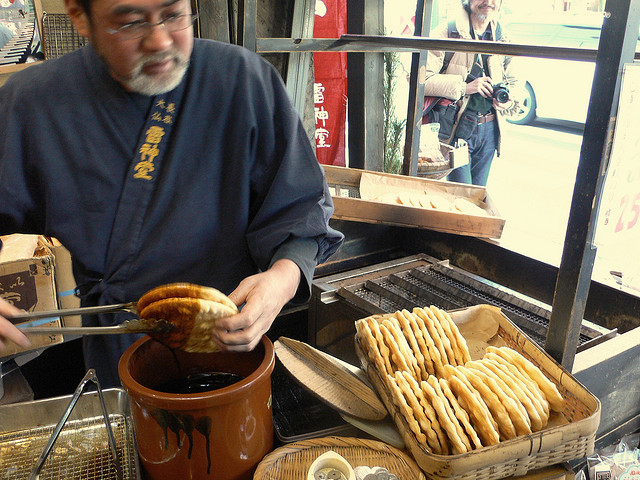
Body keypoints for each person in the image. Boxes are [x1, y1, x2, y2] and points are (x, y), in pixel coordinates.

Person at [0, 0, 343, 387]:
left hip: (235, 346)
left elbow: (300, 205)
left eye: (174, 15)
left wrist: (281, 280)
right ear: (79, 16)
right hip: (121, 358)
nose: (161, 40)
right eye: (130, 23)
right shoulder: (33, 104)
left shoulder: (242, 81)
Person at [423, 0, 521, 186]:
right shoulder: (447, 33)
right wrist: (465, 87)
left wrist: (508, 101)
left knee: (477, 195)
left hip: (491, 129)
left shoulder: (503, 37)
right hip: (456, 128)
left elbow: (516, 83)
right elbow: (420, 79)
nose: (488, 2)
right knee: (460, 194)